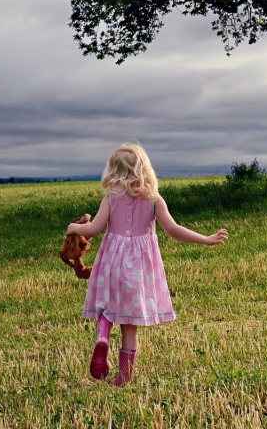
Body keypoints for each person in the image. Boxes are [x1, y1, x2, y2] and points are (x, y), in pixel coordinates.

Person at [67, 142, 228, 386]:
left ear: (113, 171)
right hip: (139, 269)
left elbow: (95, 229)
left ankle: (102, 335)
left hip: (113, 260)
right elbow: (173, 230)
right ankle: (124, 376)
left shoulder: (111, 198)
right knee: (130, 325)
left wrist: (74, 227)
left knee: (105, 304)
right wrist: (205, 239)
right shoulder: (153, 199)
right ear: (144, 169)